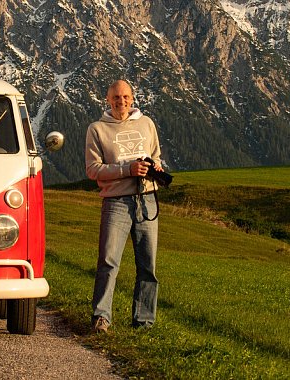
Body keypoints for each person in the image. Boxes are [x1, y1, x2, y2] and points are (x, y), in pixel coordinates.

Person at [84, 79, 163, 333]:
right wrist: (127, 169)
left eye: (126, 97)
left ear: (133, 98)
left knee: (148, 264)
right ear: (107, 100)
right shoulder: (97, 129)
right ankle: (101, 317)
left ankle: (144, 321)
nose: (122, 102)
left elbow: (156, 154)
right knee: (108, 261)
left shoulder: (147, 123)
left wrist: (156, 167)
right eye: (116, 98)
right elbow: (93, 170)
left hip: (147, 199)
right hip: (116, 201)